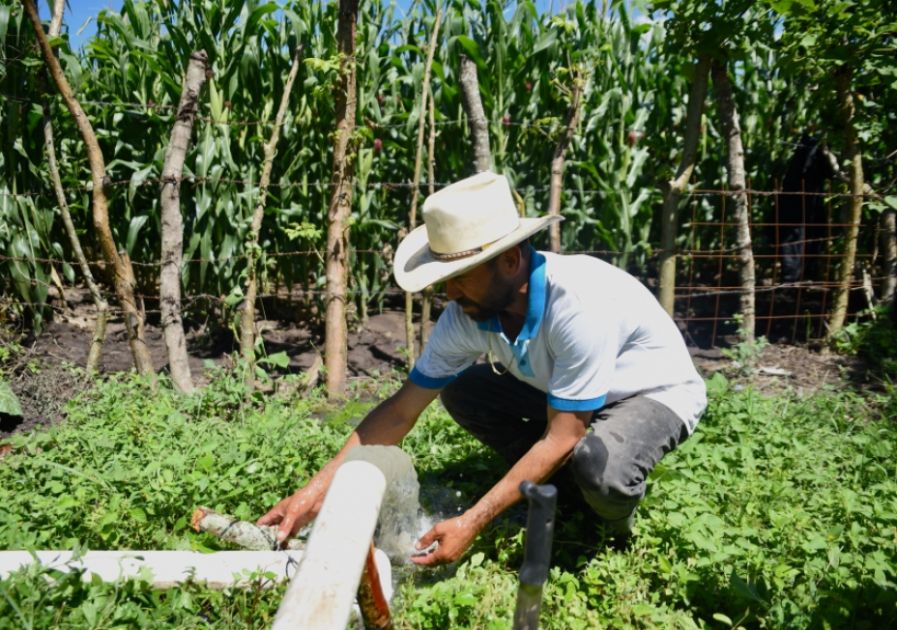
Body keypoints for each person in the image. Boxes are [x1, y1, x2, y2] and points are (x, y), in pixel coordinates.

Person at [258, 171, 707, 565]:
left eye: (461, 275)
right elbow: (400, 412)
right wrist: (316, 490)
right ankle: (563, 491)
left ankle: (615, 525)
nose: (450, 293)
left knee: (600, 469)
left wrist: (472, 521)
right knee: (463, 391)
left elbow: (564, 435)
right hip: (565, 389)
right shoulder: (467, 313)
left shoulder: (577, 304)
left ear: (510, 261)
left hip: (648, 392)